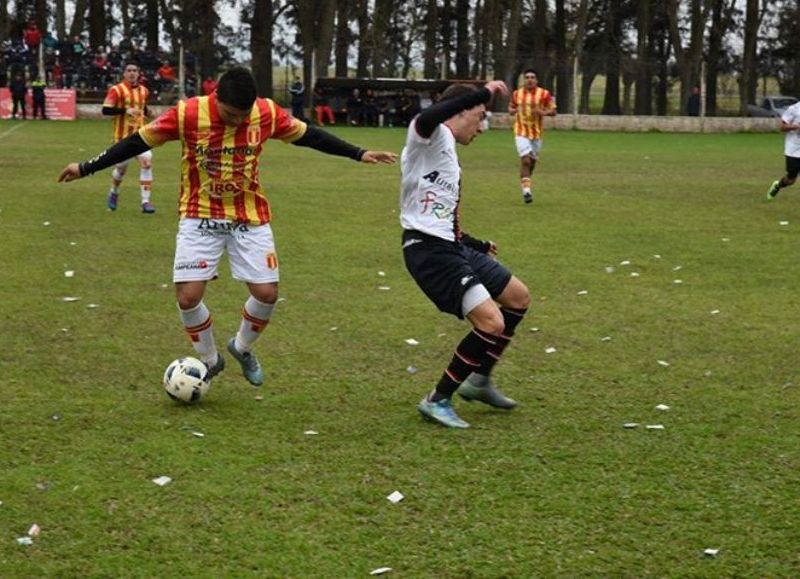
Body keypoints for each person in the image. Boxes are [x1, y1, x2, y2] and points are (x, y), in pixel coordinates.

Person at [58, 67, 396, 387]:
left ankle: (242, 348)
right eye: (230, 114)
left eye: (242, 116)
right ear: (215, 95)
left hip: (248, 216)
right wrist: (86, 167)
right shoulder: (187, 114)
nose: (237, 121)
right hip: (199, 214)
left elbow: (310, 136)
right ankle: (210, 358)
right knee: (188, 297)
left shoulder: (265, 113)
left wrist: (358, 152)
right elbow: (137, 142)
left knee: (267, 294)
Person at [399, 80, 531, 429]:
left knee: (517, 297)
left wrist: (475, 244)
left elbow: (440, 214)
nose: (482, 126)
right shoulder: (426, 135)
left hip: (451, 246)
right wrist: (484, 92)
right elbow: (430, 116)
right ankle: (437, 399)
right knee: (491, 322)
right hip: (428, 251)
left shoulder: (450, 156)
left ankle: (480, 379)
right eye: (480, 116)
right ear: (460, 112)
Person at [102, 61, 155, 213]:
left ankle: (145, 202)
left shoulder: (144, 91)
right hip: (122, 138)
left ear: (138, 74)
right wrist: (125, 110)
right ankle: (114, 191)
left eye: (135, 70)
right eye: (129, 70)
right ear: (124, 73)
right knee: (121, 169)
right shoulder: (116, 90)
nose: (132, 73)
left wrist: (148, 113)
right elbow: (105, 110)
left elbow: (143, 107)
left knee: (147, 163)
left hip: (140, 137)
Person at [509, 69, 556, 204]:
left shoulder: (544, 94)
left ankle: (526, 181)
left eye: (532, 77)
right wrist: (512, 111)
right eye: (527, 77)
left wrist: (542, 112)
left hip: (536, 133)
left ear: (537, 80)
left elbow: (553, 111)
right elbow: (511, 107)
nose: (529, 80)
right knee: (526, 161)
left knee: (532, 163)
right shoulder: (517, 94)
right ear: (524, 80)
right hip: (521, 131)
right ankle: (526, 192)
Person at [766, 99, 800, 200]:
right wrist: (796, 126)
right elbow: (782, 127)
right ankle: (778, 185)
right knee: (791, 180)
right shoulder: (794, 109)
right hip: (793, 149)